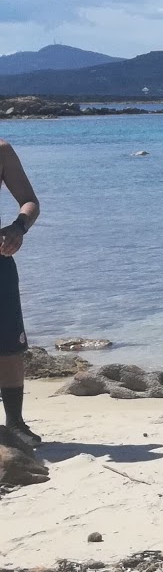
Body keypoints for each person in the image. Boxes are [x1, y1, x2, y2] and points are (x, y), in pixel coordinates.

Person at [0, 139, 40, 447]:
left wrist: (18, 228)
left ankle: (14, 423)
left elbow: (29, 200)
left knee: (10, 346)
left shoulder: (2, 150)